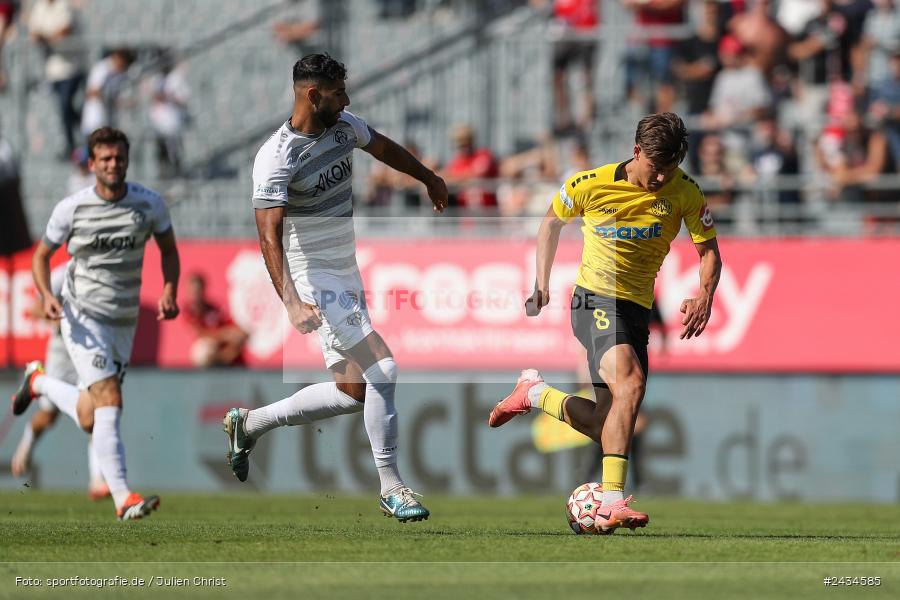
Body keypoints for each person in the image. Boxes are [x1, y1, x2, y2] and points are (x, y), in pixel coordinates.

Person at [224, 53, 447, 523]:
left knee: (353, 392)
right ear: (312, 94)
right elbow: (268, 235)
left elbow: (382, 147)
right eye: (338, 92)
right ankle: (392, 487)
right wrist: (290, 300)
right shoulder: (276, 157)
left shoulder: (343, 125)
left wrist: (428, 178)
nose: (346, 100)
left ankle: (251, 423)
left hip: (346, 267)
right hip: (314, 275)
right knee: (382, 367)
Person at [488, 113, 722, 534]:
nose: (660, 178)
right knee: (630, 384)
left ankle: (535, 393)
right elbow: (550, 222)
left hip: (635, 309)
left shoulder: (685, 191)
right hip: (593, 299)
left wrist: (705, 293)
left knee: (605, 423)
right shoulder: (589, 183)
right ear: (636, 152)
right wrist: (541, 283)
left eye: (669, 169)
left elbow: (709, 251)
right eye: (655, 168)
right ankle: (613, 501)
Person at [10, 126, 180, 521]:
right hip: (82, 315)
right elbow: (40, 258)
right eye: (104, 159)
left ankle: (38, 382)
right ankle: (122, 497)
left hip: (123, 320)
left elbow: (169, 251)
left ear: (127, 160)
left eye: (118, 158)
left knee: (90, 415)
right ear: (91, 164)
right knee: (109, 402)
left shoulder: (149, 205)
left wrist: (169, 288)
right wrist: (47, 296)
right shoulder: (71, 208)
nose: (112, 164)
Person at [10, 261, 110, 501]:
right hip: (62, 353)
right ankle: (27, 442)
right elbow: (35, 308)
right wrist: (57, 318)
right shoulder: (61, 275)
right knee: (49, 416)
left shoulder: (106, 274)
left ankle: (97, 480)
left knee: (96, 414)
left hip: (91, 352)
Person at [27, 0, 86, 158]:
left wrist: (45, 37)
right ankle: (75, 138)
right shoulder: (40, 6)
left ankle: (75, 140)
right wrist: (50, 37)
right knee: (63, 108)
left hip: (71, 68)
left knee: (66, 104)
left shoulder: (64, 5)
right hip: (52, 70)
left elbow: (64, 31)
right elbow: (33, 33)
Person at [184, 273, 247, 367]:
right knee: (202, 350)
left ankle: (224, 365)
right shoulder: (189, 310)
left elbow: (230, 325)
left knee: (239, 338)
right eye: (193, 291)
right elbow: (201, 333)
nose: (196, 295)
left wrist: (238, 333)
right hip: (210, 349)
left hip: (223, 347)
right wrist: (225, 334)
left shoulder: (213, 308)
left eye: (198, 290)